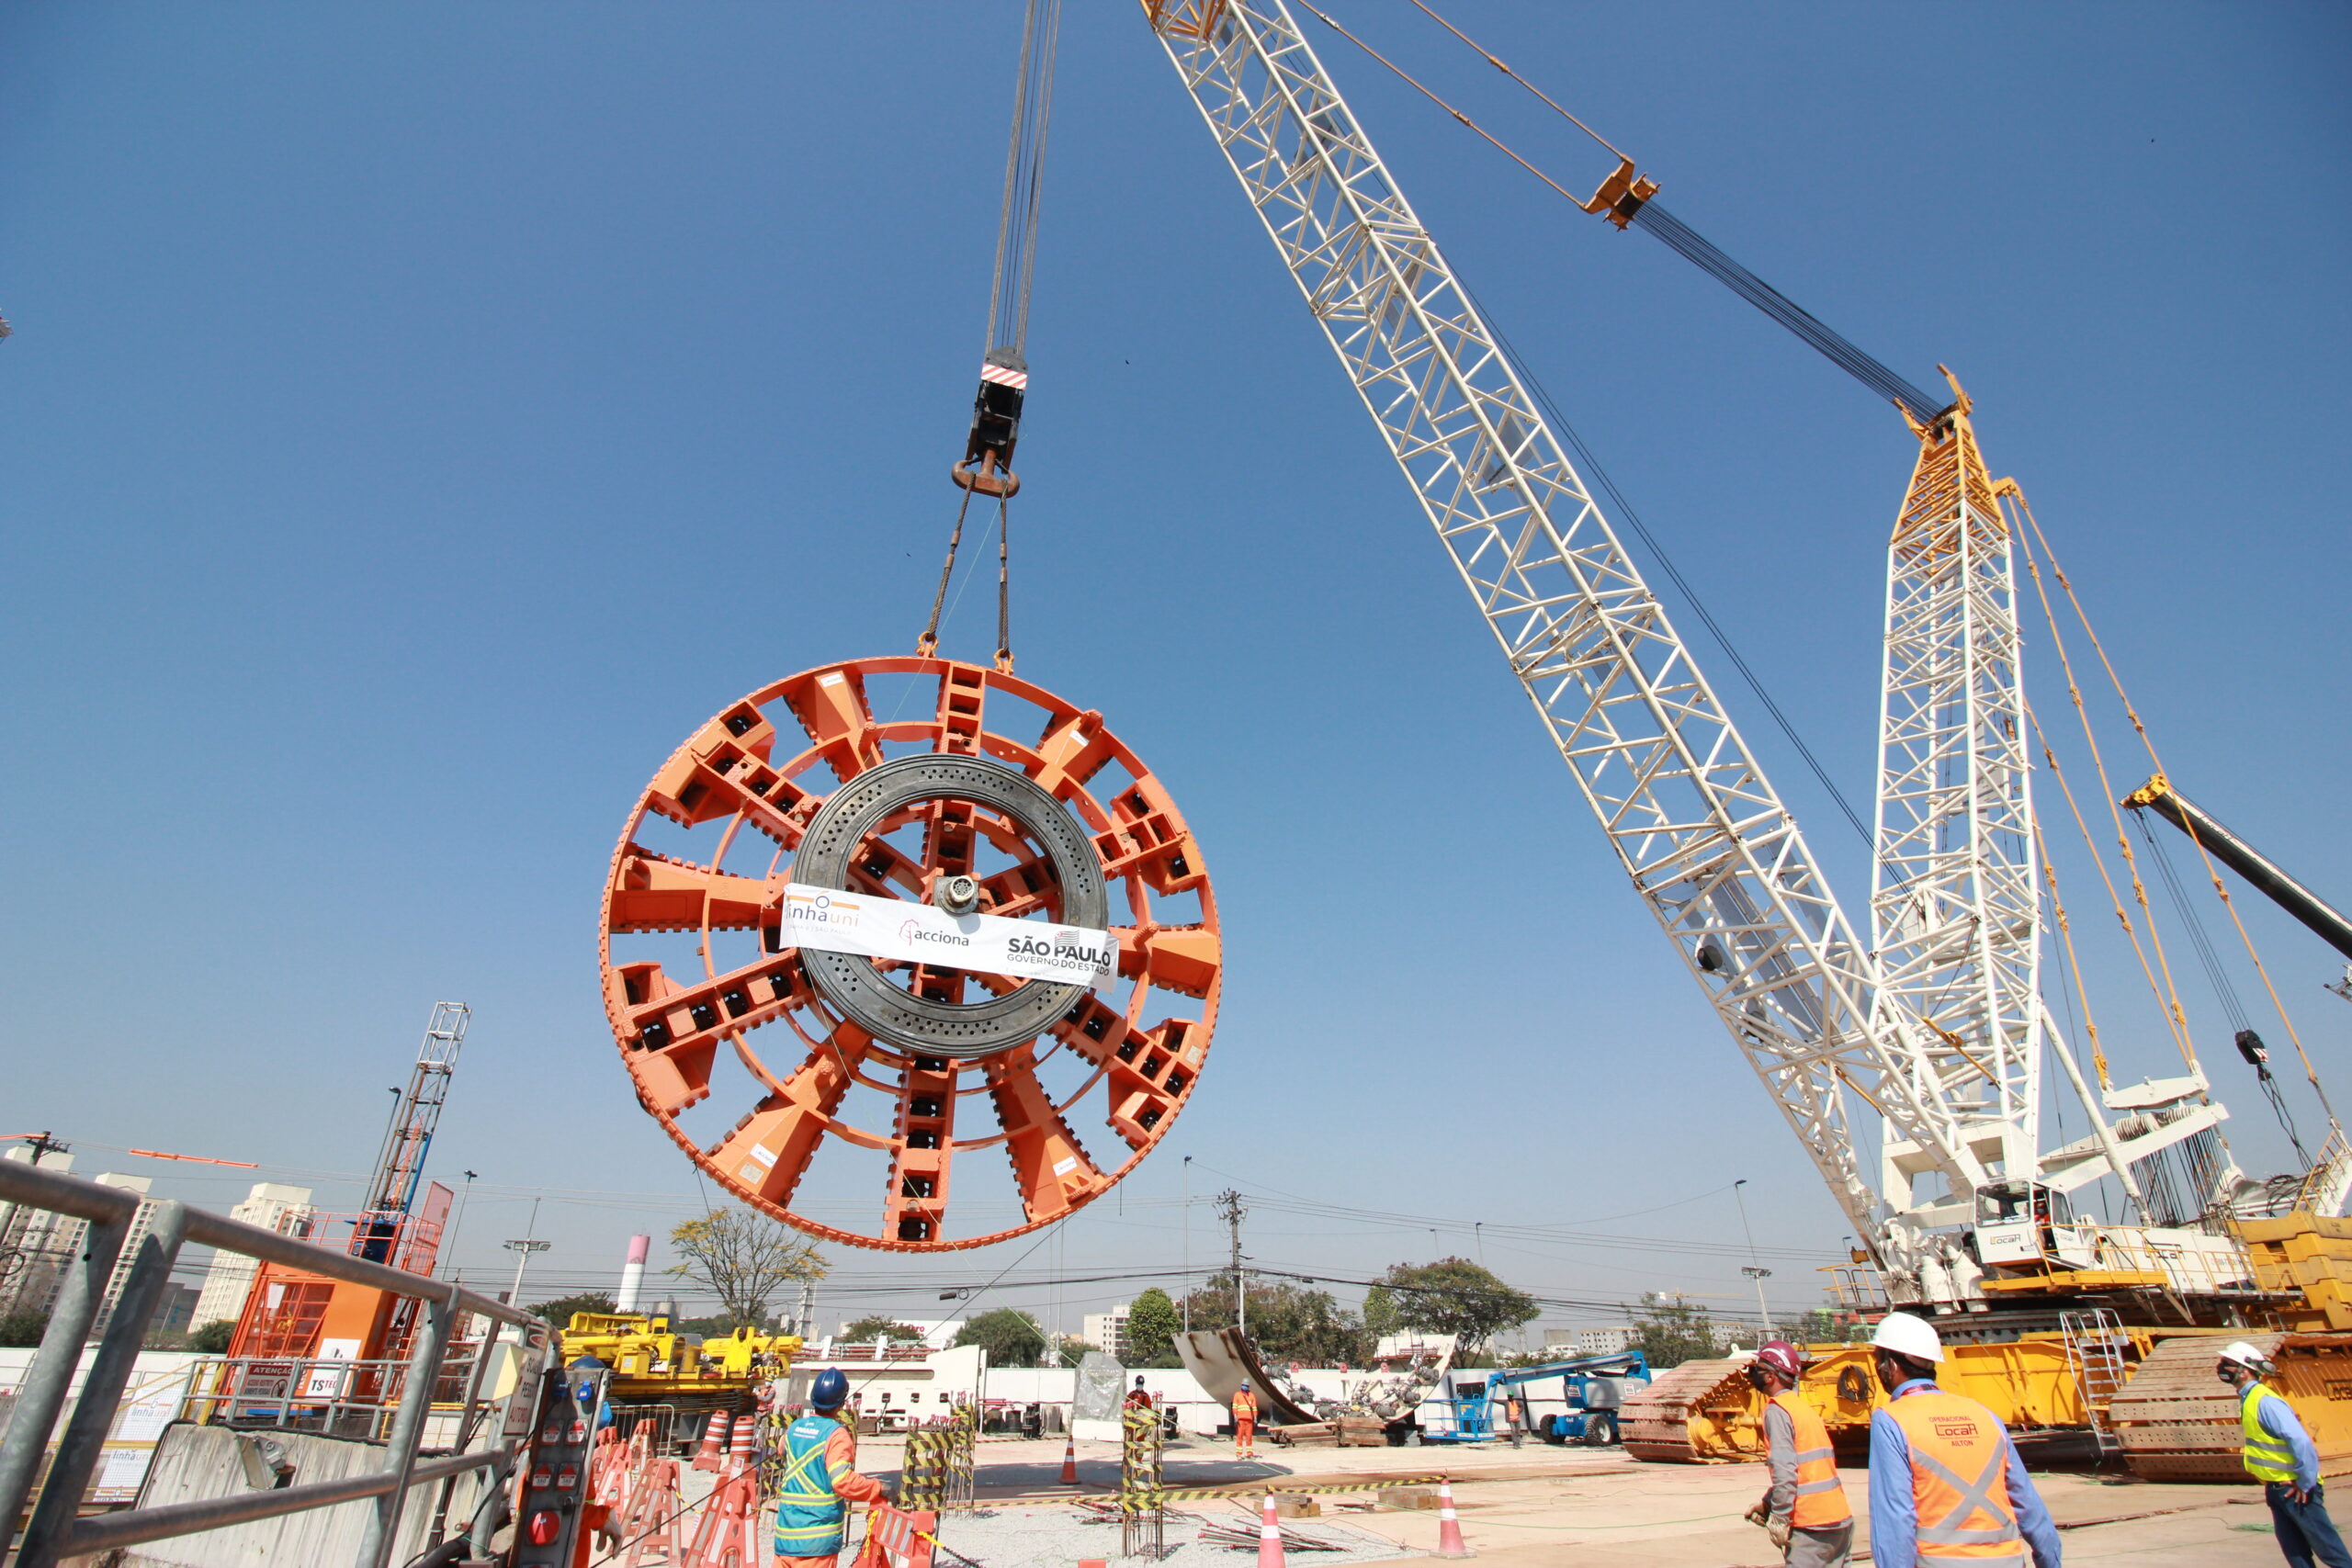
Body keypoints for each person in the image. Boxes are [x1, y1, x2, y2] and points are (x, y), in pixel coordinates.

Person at [1865, 1313, 2062, 1568]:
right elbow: (2028, 1503)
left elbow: (1894, 1516)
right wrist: (2050, 1562)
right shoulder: (1984, 1414)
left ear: (1889, 1365)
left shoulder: (1891, 1420)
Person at [2218, 1339, 2352, 1568]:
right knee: (2296, 1553)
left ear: (2245, 1371)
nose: (2221, 1367)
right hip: (2277, 1488)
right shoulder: (2249, 1399)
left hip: (2296, 1490)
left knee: (2331, 1553)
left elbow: (2300, 1441)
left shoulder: (2265, 1401)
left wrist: (2305, 1482)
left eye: (2228, 1363)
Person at [1741, 1340, 1853, 1567]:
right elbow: (1807, 1470)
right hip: (1839, 1518)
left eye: (1758, 1368)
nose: (1753, 1373)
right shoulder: (1801, 1408)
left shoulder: (1777, 1411)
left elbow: (1785, 1472)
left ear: (1771, 1376)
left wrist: (1780, 1518)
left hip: (1811, 1525)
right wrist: (1768, 1502)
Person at [774, 1369, 888, 1568]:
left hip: (786, 1535)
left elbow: (782, 1449)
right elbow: (842, 1481)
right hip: (816, 1539)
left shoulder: (794, 1428)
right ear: (842, 1403)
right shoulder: (836, 1435)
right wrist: (876, 1487)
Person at [1231, 1381, 1258, 1459]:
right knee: (1240, 1437)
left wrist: (1255, 1418)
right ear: (1241, 1385)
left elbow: (1254, 1407)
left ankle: (1250, 1454)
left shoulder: (1251, 1396)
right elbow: (1234, 1407)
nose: (1245, 1387)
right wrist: (1235, 1417)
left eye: (1246, 1385)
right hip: (1240, 1420)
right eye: (1244, 1385)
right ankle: (1239, 1454)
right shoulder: (1237, 1395)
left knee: (1249, 1437)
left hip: (1249, 1420)